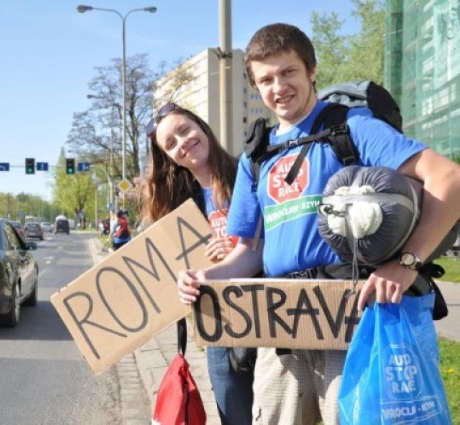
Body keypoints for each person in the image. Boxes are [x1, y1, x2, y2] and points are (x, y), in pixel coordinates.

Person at [177, 22, 460, 424]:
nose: (279, 87)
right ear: (256, 87)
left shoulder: (351, 128)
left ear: (312, 70)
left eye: (288, 71)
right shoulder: (255, 158)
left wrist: (407, 264)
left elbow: (448, 178)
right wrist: (203, 276)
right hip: (282, 330)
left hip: (352, 323)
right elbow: (248, 252)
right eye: (266, 79)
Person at [143, 103, 263, 425]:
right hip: (219, 326)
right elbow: (169, 269)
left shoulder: (249, 174)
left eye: (184, 130)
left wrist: (238, 249)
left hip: (268, 318)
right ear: (167, 157)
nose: (182, 143)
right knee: (235, 418)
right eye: (170, 144)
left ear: (200, 125)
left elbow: (271, 243)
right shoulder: (178, 205)